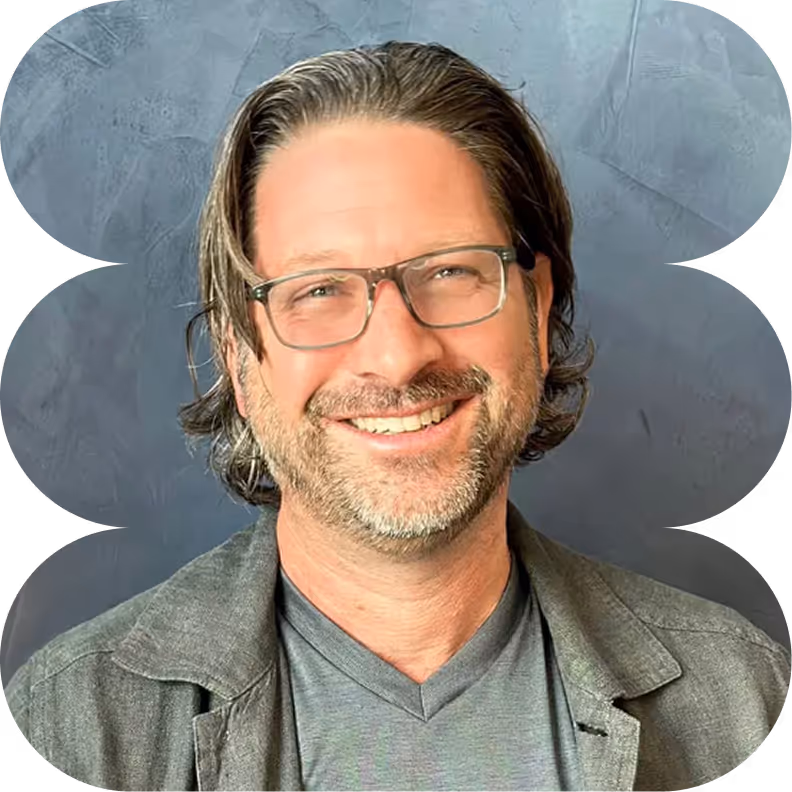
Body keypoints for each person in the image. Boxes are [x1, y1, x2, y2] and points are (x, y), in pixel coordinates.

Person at [4, 41, 789, 792]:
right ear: (239, 357)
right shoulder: (68, 726)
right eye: (318, 289)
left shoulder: (745, 699)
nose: (398, 355)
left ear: (539, 309)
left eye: (450, 271)